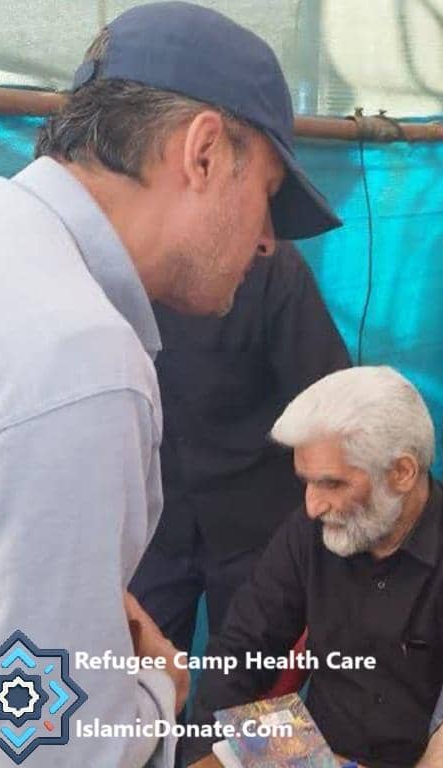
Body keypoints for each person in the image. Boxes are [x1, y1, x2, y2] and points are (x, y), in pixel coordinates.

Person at [0, 2, 340, 765]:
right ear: (201, 153)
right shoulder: (78, 363)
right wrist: (156, 696)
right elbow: (44, 745)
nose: (267, 238)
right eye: (265, 192)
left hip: (236, 539)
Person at [184, 367, 443, 768]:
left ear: (402, 472)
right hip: (314, 753)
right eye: (306, 482)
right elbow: (242, 647)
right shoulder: (309, 530)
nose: (313, 505)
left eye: (333, 484)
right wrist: (201, 755)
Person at [130, 240, 350, 661]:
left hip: (260, 531)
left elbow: (329, 403)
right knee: (135, 680)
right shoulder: (124, 266)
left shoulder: (274, 266)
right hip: (154, 524)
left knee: (258, 693)